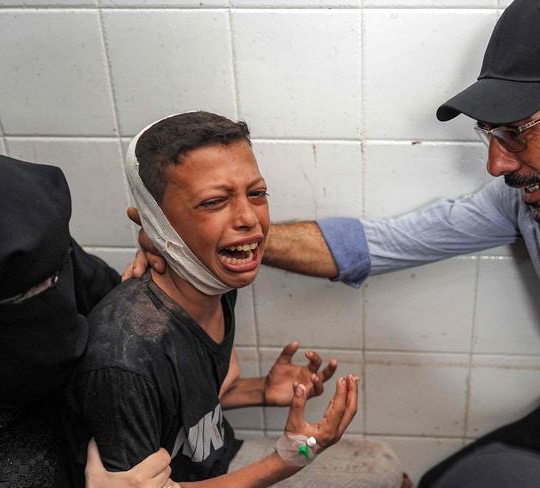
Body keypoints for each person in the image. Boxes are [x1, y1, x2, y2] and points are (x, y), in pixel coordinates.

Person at [125, 1, 540, 486]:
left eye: (516, 132)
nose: (496, 165)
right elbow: (372, 245)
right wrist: (204, 243)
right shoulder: (520, 201)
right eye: (490, 134)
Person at [64, 111, 406, 488]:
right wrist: (290, 457)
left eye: (257, 194)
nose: (250, 219)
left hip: (217, 461)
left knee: (386, 467)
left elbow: (183, 407)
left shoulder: (215, 283)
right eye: (214, 202)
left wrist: (260, 390)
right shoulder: (122, 361)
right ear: (154, 222)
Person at [0, 142, 173, 487]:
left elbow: (118, 303)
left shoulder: (44, 256)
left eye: (56, 270)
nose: (54, 288)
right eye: (26, 294)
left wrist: (166, 270)